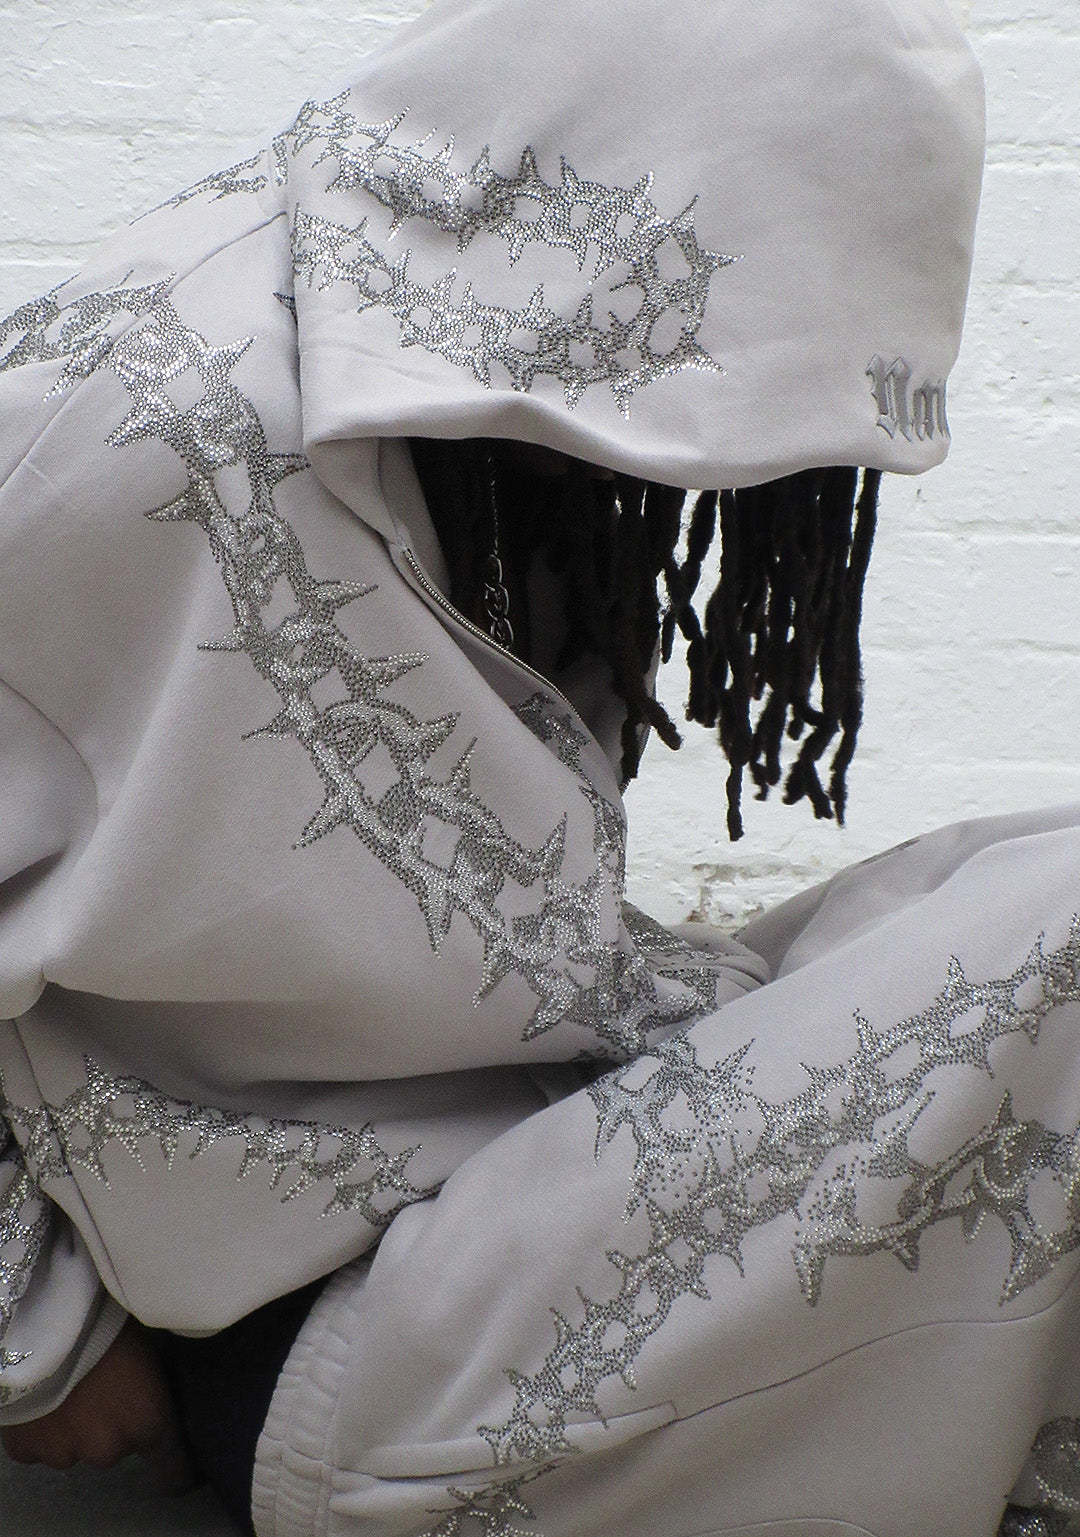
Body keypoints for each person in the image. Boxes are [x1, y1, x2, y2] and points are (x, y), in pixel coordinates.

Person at [3, 1, 1078, 1534]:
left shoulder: (506, 441)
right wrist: (39, 1339)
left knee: (1014, 878)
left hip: (518, 1147)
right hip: (334, 1324)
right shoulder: (130, 419)